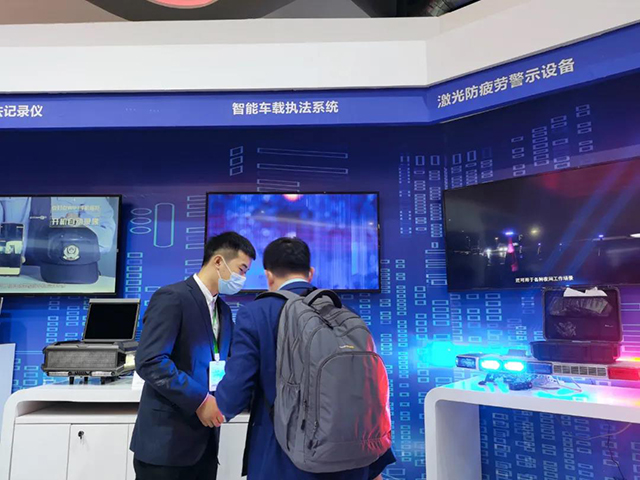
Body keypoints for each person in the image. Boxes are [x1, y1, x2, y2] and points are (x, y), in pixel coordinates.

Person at [215, 237, 395, 480]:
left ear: (268, 275)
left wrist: (214, 404)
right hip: (353, 460)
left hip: (285, 461)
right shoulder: (344, 312)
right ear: (310, 273)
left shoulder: (256, 314)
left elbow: (234, 395)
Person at [130, 231, 256, 480]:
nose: (242, 278)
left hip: (205, 445)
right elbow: (150, 361)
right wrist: (200, 400)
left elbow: (227, 361)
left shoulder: (223, 310)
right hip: (166, 446)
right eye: (241, 270)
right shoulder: (173, 298)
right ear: (218, 261)